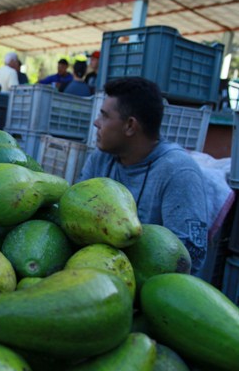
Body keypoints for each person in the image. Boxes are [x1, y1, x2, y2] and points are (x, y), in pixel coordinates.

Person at [77, 77, 208, 275]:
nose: (96, 123)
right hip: (95, 270)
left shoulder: (178, 171)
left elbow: (189, 257)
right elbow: (77, 209)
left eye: (104, 116)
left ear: (130, 125)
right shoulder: (100, 158)